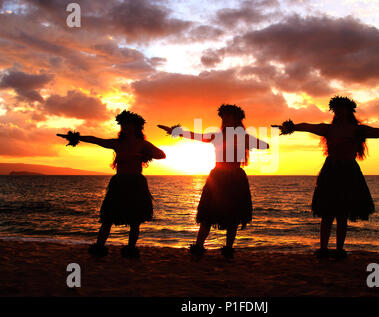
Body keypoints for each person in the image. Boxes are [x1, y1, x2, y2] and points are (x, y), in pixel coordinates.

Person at [273, 96, 379, 259]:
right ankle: (323, 249)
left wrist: (360, 131)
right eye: (337, 109)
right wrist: (292, 127)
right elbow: (308, 126)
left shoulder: (356, 129)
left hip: (348, 173)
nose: (339, 112)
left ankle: (339, 249)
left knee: (342, 214)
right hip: (331, 172)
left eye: (342, 109)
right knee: (327, 213)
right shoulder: (329, 129)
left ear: (348, 111)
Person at [158, 104, 269, 259]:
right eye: (224, 118)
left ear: (236, 120)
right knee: (207, 215)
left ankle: (228, 249)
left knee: (233, 217)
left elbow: (265, 145)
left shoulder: (243, 137)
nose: (225, 120)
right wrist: (177, 132)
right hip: (218, 177)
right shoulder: (217, 136)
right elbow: (196, 135)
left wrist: (248, 140)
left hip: (235, 178)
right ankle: (198, 247)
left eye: (228, 117)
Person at [57, 110, 166, 258]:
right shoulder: (117, 143)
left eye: (127, 125)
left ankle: (130, 250)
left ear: (135, 127)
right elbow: (96, 140)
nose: (124, 128)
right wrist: (76, 137)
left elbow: (161, 155)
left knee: (135, 219)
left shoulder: (142, 144)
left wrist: (140, 155)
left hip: (136, 184)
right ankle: (99, 248)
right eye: (123, 125)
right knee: (108, 217)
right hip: (119, 183)